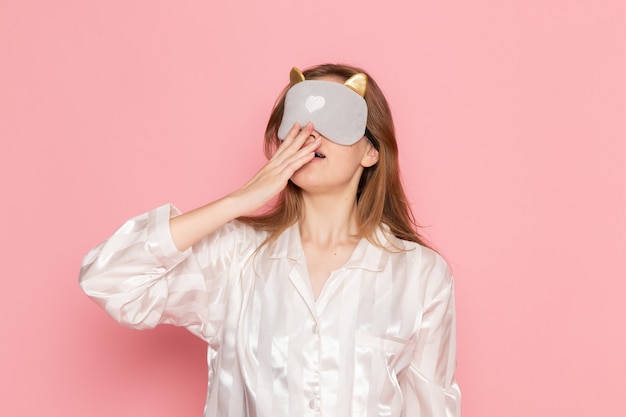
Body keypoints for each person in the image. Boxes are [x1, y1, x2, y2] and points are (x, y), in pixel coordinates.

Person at [79, 63, 461, 417]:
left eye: (335, 120)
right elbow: (109, 278)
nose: (311, 133)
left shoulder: (421, 275)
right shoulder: (236, 257)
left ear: (371, 151)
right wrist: (240, 199)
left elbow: (430, 406)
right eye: (297, 122)